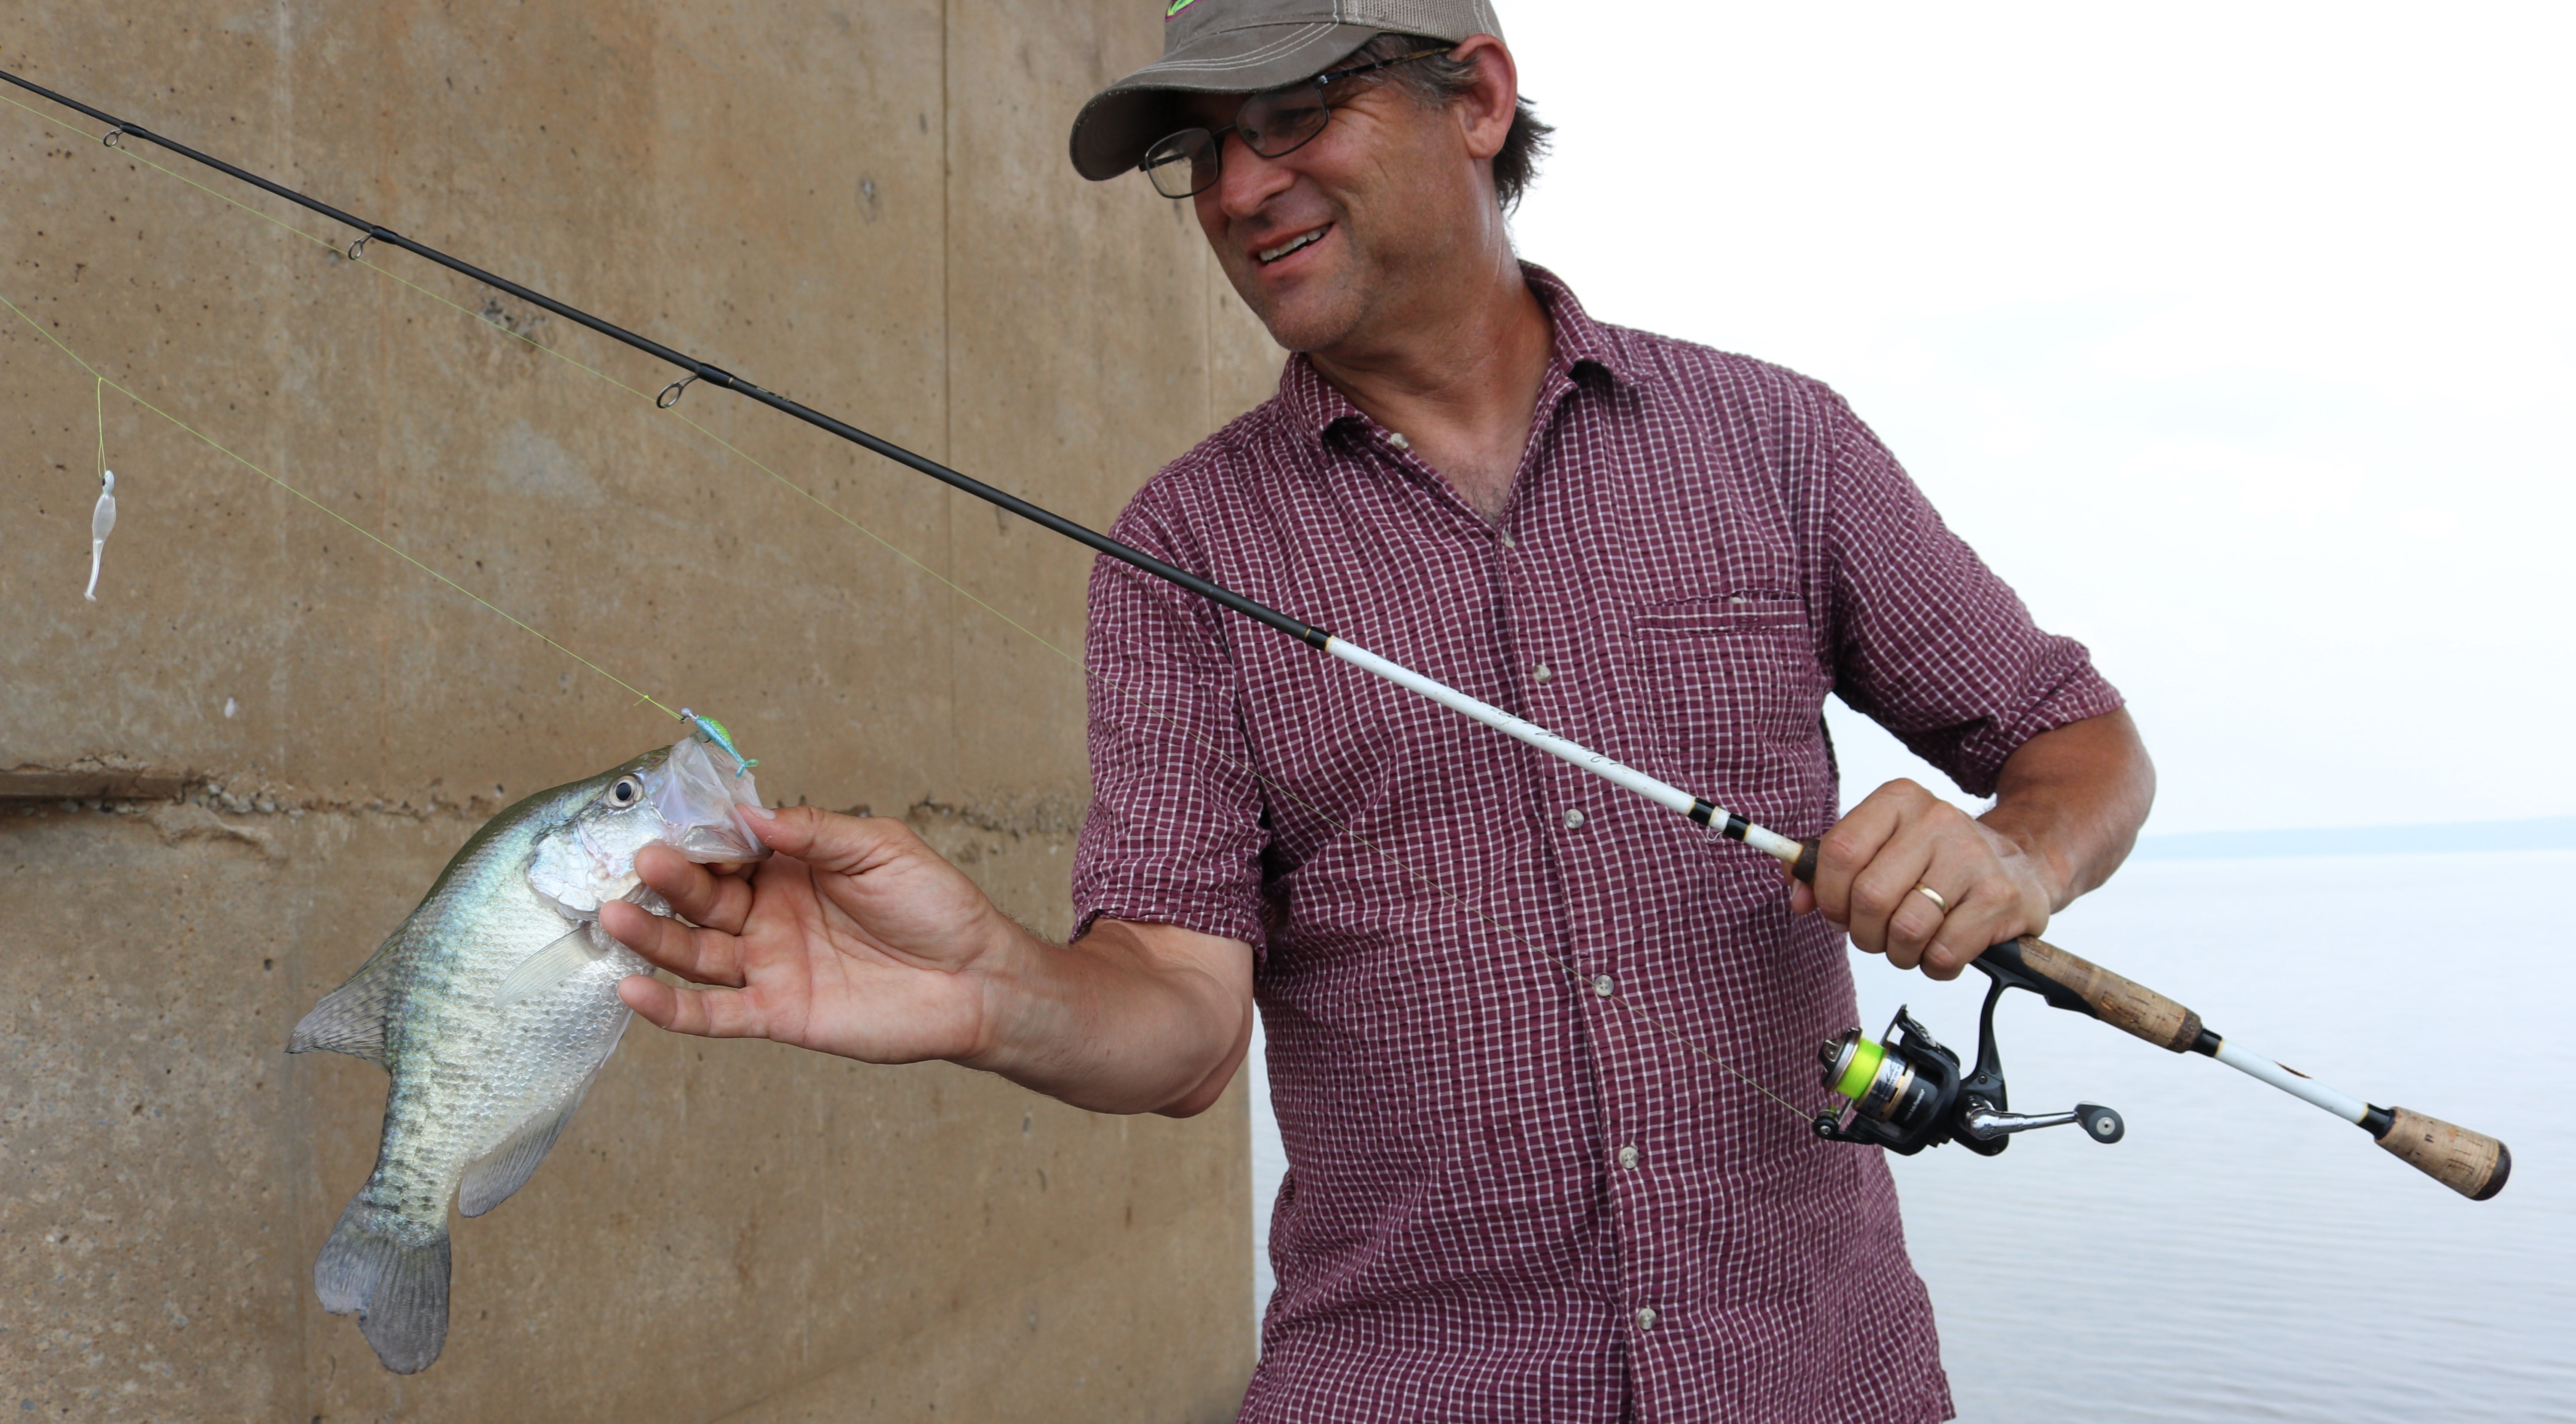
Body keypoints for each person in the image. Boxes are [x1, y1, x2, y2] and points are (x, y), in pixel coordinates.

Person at [604, 2, 2155, 1418]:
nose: (1234, 188)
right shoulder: (1181, 551)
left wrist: (2016, 859)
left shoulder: (1778, 441)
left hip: (1829, 1380)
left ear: (1475, 97)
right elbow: (1181, 1017)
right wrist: (995, 995)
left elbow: (2075, 738)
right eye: (1201, 153)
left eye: (1291, 117)